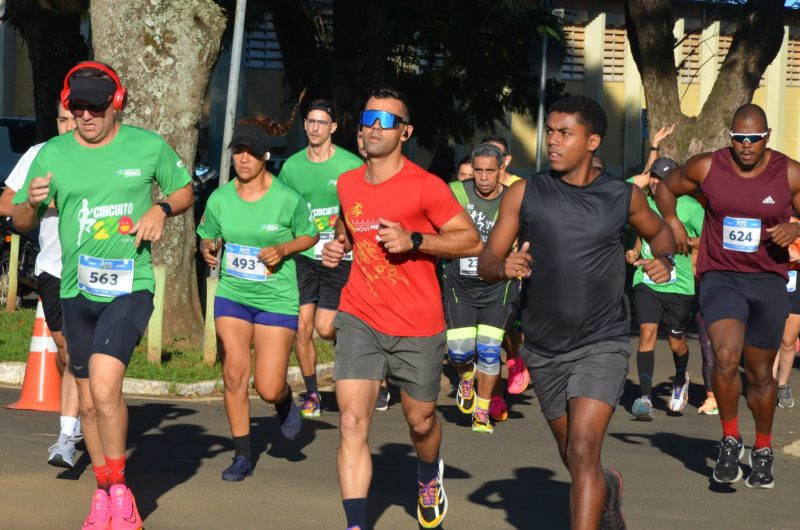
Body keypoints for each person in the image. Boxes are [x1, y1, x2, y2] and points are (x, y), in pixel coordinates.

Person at [478, 95, 676, 530]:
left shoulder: (621, 196)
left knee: (584, 449)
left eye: (564, 133)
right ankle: (607, 490)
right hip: (545, 347)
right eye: (550, 131)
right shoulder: (525, 193)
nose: (552, 140)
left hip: (601, 341)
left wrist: (666, 259)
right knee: (574, 456)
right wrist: (502, 267)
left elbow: (662, 233)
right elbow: (487, 260)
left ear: (592, 141)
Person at [12, 61, 193, 529]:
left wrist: (160, 207)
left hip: (130, 285)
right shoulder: (53, 152)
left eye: (94, 107)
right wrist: (30, 205)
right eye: (77, 107)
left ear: (115, 104)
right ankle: (105, 490)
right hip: (76, 290)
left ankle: (122, 492)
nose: (85, 116)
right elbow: (20, 221)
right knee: (89, 402)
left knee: (106, 385)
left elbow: (185, 190)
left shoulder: (147, 146)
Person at [321, 86, 480, 530]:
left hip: (417, 324)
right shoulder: (349, 181)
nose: (375, 126)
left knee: (421, 421)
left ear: (405, 132)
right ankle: (355, 524)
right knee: (352, 421)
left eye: (387, 121)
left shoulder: (426, 187)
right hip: (361, 315)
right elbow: (349, 223)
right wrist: (338, 244)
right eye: (369, 118)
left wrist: (416, 241)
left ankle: (428, 474)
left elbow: (470, 239)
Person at [655, 103, 800, 488]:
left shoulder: (788, 172)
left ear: (767, 137)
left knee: (758, 375)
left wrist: (794, 224)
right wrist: (671, 220)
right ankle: (730, 439)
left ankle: (764, 448)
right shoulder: (708, 166)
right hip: (721, 277)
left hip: (768, 281)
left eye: (754, 138)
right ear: (730, 138)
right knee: (723, 357)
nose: (747, 145)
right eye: (739, 138)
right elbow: (665, 187)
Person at [198, 116, 319, 481]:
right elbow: (208, 234)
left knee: (267, 385)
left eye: (251, 152)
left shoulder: (286, 199)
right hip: (233, 295)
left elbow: (310, 235)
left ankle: (283, 401)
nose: (244, 159)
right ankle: (242, 455)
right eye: (239, 152)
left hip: (275, 299)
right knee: (235, 373)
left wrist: (283, 248)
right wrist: (208, 247)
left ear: (265, 155)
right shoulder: (220, 198)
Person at [0, 100, 83, 467]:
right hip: (54, 268)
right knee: (66, 351)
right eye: (62, 120)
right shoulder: (41, 153)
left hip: (99, 269)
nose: (68, 126)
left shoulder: (101, 156)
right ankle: (80, 407)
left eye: (74, 119)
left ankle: (69, 431)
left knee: (81, 354)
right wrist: (38, 202)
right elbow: (6, 201)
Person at [278, 99, 363, 418]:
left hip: (336, 256)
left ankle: (356, 349)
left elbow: (361, 208)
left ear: (333, 128)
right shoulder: (292, 166)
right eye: (310, 122)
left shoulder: (350, 165)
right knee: (302, 328)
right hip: (302, 256)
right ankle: (312, 393)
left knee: (326, 328)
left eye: (320, 123)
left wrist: (347, 238)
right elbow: (282, 208)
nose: (314, 128)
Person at [442, 143, 517, 433]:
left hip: (498, 289)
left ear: (501, 170)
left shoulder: (514, 198)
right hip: (460, 286)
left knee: (489, 350)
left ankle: (482, 412)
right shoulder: (455, 193)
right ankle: (465, 376)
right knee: (459, 352)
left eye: (490, 171)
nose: (484, 177)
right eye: (478, 171)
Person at [625, 156, 705, 420]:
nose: (658, 183)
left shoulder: (690, 207)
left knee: (675, 342)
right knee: (646, 334)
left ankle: (681, 377)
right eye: (655, 178)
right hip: (646, 280)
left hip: (679, 285)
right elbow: (641, 234)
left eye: (664, 179)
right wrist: (635, 252)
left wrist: (684, 240)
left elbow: (708, 240)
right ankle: (645, 397)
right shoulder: (644, 204)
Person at [480, 135, 529, 395]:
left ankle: (513, 358)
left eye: (495, 155)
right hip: (481, 270)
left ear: (506, 160)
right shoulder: (475, 187)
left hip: (511, 272)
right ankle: (492, 396)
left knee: (500, 329)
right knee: (485, 338)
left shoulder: (519, 189)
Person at [774, 224, 800, 409]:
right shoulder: (772, 213)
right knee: (770, 338)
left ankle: (782, 385)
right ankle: (767, 384)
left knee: (788, 340)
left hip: (795, 281)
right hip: (772, 279)